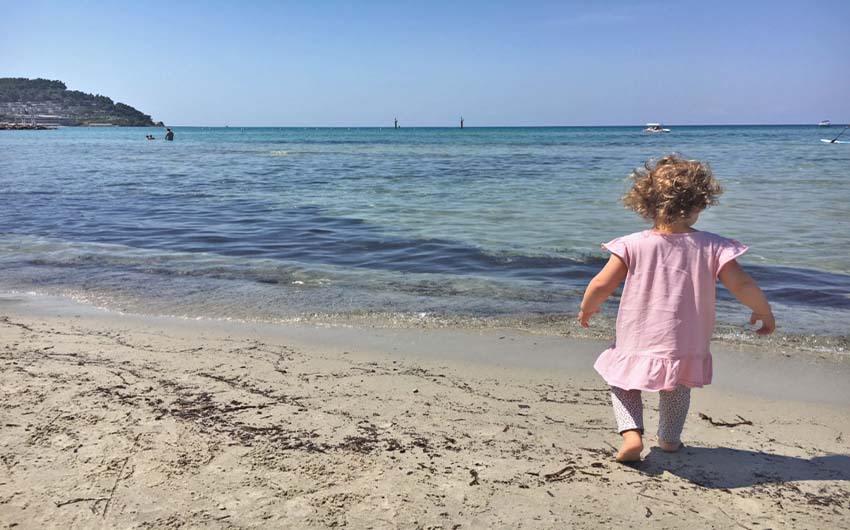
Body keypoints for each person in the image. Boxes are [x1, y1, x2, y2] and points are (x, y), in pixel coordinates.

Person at [578, 154, 775, 463]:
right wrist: (763, 311)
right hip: (686, 341)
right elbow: (742, 285)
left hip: (637, 336)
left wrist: (587, 308)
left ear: (645, 203)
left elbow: (602, 283)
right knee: (677, 387)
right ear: (698, 206)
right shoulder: (714, 245)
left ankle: (631, 434)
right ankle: (669, 440)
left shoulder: (631, 244)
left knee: (622, 382)